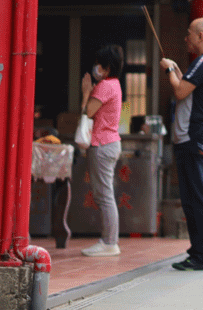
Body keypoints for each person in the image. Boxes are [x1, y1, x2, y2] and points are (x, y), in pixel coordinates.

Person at [161, 17, 203, 272]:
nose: (185, 38)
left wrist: (168, 70)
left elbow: (180, 91)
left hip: (195, 137)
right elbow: (188, 87)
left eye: (189, 34)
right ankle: (200, 251)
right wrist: (177, 70)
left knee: (196, 197)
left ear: (200, 35)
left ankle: (201, 255)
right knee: (201, 197)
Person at [80, 45, 125, 257]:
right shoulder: (114, 84)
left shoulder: (104, 86)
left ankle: (109, 242)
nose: (96, 67)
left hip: (103, 144)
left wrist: (86, 92)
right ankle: (108, 240)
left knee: (104, 195)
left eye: (100, 63)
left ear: (107, 67)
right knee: (105, 194)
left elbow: (88, 111)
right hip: (110, 143)